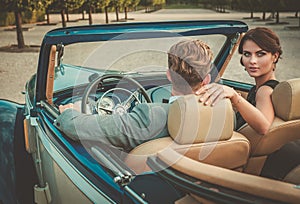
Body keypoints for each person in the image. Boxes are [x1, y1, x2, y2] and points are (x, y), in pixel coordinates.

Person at [55, 39, 213, 152]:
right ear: (206, 80)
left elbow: (75, 127)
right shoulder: (222, 114)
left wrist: (69, 112)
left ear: (169, 75)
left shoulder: (152, 116)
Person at [196, 27, 282, 135]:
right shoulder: (258, 90)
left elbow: (264, 127)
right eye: (247, 54)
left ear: (275, 56)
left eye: (260, 54)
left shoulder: (264, 91)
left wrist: (235, 97)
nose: (252, 61)